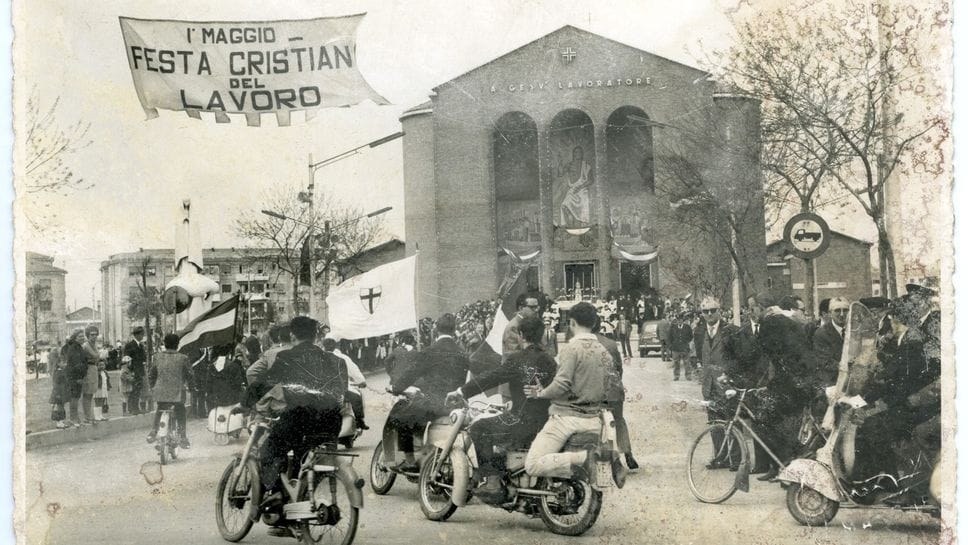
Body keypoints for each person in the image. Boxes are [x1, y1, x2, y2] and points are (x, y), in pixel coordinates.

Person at [446, 314, 558, 502]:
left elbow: (492, 377)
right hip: (545, 421)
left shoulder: (517, 359)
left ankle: (492, 482)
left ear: (521, 335)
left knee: (479, 428)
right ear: (541, 335)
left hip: (521, 420)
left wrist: (462, 391)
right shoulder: (550, 360)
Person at [524, 302, 626, 488]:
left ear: (571, 323)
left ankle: (585, 459)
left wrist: (541, 393)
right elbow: (612, 384)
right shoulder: (604, 351)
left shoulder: (571, 349)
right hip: (594, 419)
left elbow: (561, 385)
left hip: (567, 418)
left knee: (531, 464)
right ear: (594, 323)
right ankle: (606, 455)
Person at [248, 316, 347, 501]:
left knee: (269, 450)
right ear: (316, 336)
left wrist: (243, 404)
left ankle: (276, 493)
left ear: (292, 335)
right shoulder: (333, 359)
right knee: (303, 457)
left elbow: (264, 383)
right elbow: (342, 392)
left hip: (300, 420)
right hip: (332, 422)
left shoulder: (286, 356)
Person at [386, 313, 473, 471]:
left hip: (433, 404)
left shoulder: (429, 351)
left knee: (400, 416)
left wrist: (395, 387)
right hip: (455, 404)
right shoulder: (463, 353)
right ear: (454, 331)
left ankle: (410, 460)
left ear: (436, 330)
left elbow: (410, 374)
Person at [693, 297, 740, 468]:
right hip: (709, 385)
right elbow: (699, 355)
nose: (710, 314)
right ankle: (720, 457)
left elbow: (738, 358)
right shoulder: (699, 332)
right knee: (714, 423)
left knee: (731, 421)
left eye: (713, 310)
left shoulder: (731, 331)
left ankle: (736, 459)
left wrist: (729, 374)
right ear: (702, 314)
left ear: (719, 311)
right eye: (706, 311)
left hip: (726, 383)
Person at [593, 316, 638, 473]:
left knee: (594, 424)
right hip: (614, 391)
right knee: (619, 421)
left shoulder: (585, 344)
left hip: (595, 394)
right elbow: (619, 368)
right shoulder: (611, 344)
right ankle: (628, 453)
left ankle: (599, 458)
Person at [147, 334, 193, 448]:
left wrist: (153, 387)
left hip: (160, 392)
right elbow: (190, 375)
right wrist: (192, 387)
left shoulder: (157, 357)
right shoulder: (183, 358)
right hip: (177, 392)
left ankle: (153, 431)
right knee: (181, 411)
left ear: (165, 344)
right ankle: (182, 436)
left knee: (160, 408)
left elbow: (151, 374)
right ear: (177, 345)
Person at [323, 335, 368, 431]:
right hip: (341, 390)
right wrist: (361, 381)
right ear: (335, 346)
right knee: (356, 397)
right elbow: (353, 370)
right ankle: (360, 421)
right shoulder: (342, 357)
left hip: (324, 391)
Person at [812, 296, 849, 389]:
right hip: (832, 383)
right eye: (837, 310)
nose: (841, 314)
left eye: (845, 310)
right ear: (830, 313)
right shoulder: (821, 333)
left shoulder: (854, 331)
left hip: (852, 383)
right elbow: (824, 361)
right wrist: (846, 367)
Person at [207, 344, 247, 409]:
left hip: (215, 398)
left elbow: (209, 383)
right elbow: (237, 383)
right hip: (230, 398)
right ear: (228, 352)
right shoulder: (234, 366)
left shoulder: (211, 366)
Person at [63, 330, 88, 427]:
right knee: (74, 398)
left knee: (76, 398)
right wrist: (79, 377)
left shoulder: (78, 347)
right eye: (80, 336)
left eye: (83, 336)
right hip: (75, 377)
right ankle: (73, 418)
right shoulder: (74, 348)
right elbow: (76, 364)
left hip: (78, 376)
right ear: (75, 338)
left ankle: (75, 418)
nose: (82, 338)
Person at [80, 325, 101, 424]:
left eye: (96, 334)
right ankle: (87, 416)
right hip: (87, 370)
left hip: (94, 369)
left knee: (91, 393)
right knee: (87, 394)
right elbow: (95, 356)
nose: (94, 336)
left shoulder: (95, 345)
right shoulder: (85, 346)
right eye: (92, 334)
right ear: (87, 335)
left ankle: (89, 415)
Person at [124, 326, 148, 414]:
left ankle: (135, 408)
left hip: (140, 370)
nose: (143, 336)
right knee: (133, 390)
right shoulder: (130, 345)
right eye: (142, 334)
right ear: (137, 335)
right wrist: (131, 371)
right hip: (134, 371)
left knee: (138, 390)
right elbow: (126, 359)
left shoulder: (140, 345)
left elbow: (143, 358)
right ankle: (132, 408)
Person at [669, 314, 694, 381]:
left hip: (685, 348)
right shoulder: (673, 327)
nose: (679, 321)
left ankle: (688, 376)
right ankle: (676, 376)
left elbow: (691, 336)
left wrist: (686, 342)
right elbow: (670, 337)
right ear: (676, 321)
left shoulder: (687, 327)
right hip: (676, 348)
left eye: (681, 320)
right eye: (678, 320)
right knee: (676, 363)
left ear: (683, 320)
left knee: (687, 362)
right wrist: (671, 346)